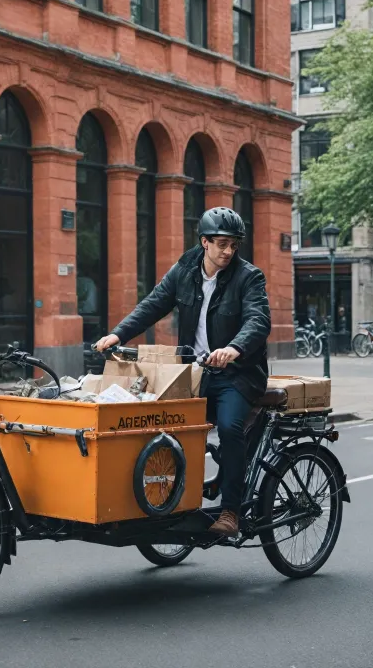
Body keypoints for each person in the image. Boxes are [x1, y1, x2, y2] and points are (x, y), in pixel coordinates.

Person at [94, 207, 271, 536]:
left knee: (230, 429)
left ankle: (231, 511)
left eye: (234, 245)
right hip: (196, 371)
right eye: (222, 244)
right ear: (204, 242)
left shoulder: (249, 277)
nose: (229, 251)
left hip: (239, 373)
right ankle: (172, 498)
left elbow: (258, 320)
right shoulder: (184, 271)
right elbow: (153, 303)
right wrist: (118, 334)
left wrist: (234, 349)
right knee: (166, 424)